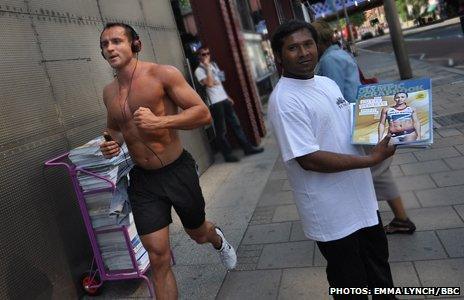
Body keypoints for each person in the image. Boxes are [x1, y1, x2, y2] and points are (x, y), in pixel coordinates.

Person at [98, 23, 237, 299]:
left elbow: (202, 113)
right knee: (158, 257)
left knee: (197, 232)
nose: (110, 48)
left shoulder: (163, 74)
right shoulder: (109, 92)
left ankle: (217, 239)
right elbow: (114, 128)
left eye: (116, 41)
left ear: (135, 44)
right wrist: (109, 143)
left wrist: (160, 121)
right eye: (105, 44)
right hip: (143, 180)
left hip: (177, 171)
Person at [268, 20, 397, 297]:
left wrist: (398, 123)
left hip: (362, 200)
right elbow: (310, 159)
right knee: (350, 282)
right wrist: (372, 160)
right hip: (331, 212)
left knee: (379, 269)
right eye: (293, 48)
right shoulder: (285, 100)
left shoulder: (326, 83)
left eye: (308, 44)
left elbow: (349, 123)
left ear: (317, 45)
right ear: (279, 57)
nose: (303, 53)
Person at [313, 20, 416, 235]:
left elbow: (333, 96)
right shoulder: (339, 54)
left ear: (317, 41)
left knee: (377, 170)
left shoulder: (330, 60)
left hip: (358, 120)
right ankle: (395, 217)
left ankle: (400, 219)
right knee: (378, 168)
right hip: (362, 116)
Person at [194, 46, 264, 162]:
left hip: (224, 99)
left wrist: (227, 96)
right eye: (203, 54)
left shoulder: (214, 65)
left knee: (236, 124)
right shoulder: (199, 71)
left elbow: (221, 81)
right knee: (221, 130)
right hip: (215, 102)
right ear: (199, 57)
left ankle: (248, 148)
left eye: (208, 53)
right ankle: (227, 155)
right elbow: (210, 84)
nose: (206, 56)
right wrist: (207, 68)